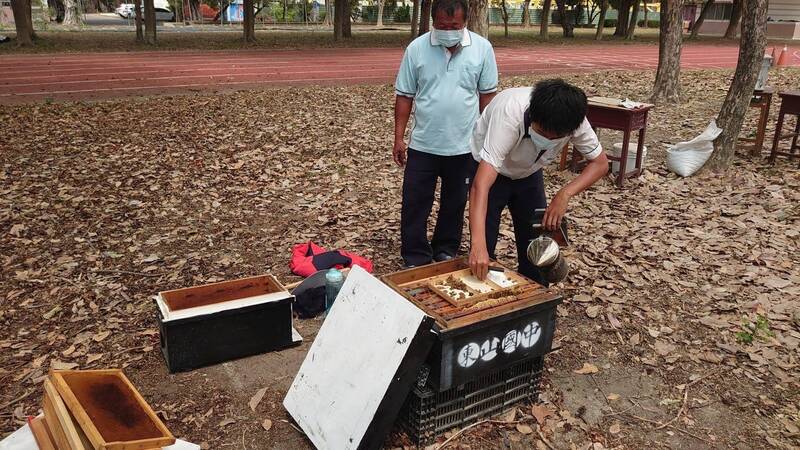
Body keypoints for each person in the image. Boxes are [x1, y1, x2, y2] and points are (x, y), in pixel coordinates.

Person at [468, 79, 609, 283]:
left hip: (529, 173)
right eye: (543, 134)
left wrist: (564, 194)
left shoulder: (574, 121)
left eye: (556, 138)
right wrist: (477, 244)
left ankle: (534, 299)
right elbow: (481, 184)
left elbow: (600, 164)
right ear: (533, 116)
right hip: (489, 170)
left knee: (536, 243)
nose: (549, 140)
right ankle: (481, 295)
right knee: (483, 246)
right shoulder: (510, 113)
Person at [393, 0, 498, 268]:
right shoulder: (416, 49)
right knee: (415, 202)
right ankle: (415, 255)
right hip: (424, 144)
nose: (448, 30)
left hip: (464, 145)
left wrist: (487, 138)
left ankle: (445, 248)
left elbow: (487, 95)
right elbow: (405, 95)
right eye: (441, 26)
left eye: (454, 26)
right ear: (433, 22)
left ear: (465, 22)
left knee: (455, 202)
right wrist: (398, 137)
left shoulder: (482, 49)